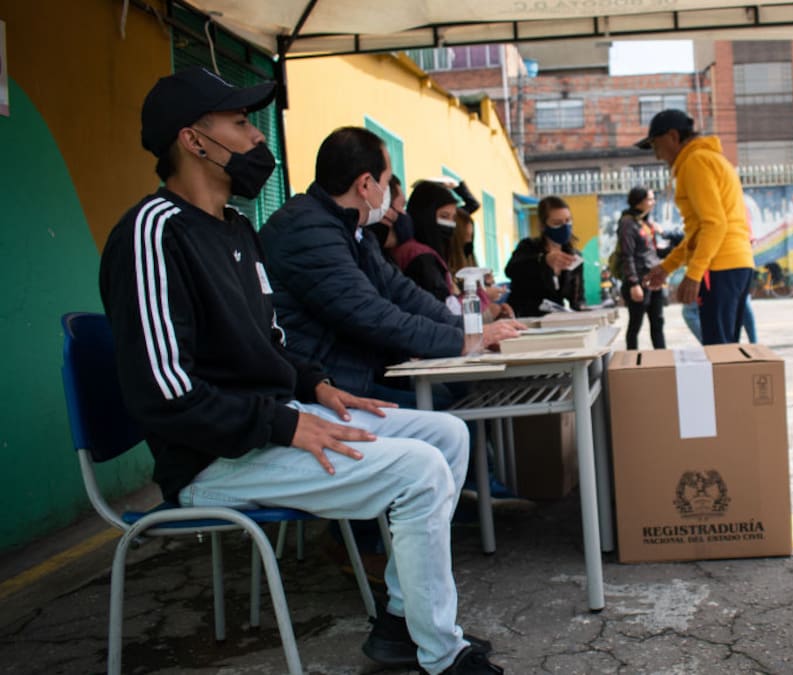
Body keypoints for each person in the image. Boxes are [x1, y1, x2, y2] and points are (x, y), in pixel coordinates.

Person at [99, 68, 503, 674]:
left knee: (446, 434)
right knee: (419, 471)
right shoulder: (153, 233)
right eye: (241, 122)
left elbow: (268, 344)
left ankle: (401, 622)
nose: (257, 137)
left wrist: (315, 384)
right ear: (193, 140)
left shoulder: (236, 229)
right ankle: (441, 655)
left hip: (272, 423)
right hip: (213, 455)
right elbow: (166, 392)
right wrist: (286, 424)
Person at [259, 128, 521, 408]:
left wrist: (472, 331)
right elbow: (371, 314)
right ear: (365, 185)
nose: (387, 197)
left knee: (468, 395)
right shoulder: (308, 231)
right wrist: (463, 340)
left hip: (356, 370)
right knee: (453, 414)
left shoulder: (352, 231)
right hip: (323, 384)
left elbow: (404, 294)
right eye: (385, 184)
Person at [639, 109, 755, 345]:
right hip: (734, 263)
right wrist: (667, 267)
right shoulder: (709, 159)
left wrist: (694, 274)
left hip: (719, 266)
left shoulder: (695, 162)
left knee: (718, 350)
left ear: (673, 136)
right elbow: (698, 233)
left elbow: (714, 224)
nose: (658, 156)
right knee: (725, 349)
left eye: (656, 145)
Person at [504, 195, 585, 317]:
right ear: (543, 225)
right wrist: (544, 260)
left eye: (568, 221)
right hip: (527, 318)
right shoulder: (528, 247)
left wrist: (582, 310)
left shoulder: (573, 256)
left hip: (559, 320)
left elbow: (578, 298)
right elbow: (511, 270)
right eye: (557, 223)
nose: (565, 227)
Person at [616, 186, 666, 349]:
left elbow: (651, 251)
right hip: (639, 280)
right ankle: (632, 358)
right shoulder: (627, 223)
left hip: (654, 279)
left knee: (658, 322)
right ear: (639, 202)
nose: (653, 202)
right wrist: (634, 283)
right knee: (635, 325)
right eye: (650, 199)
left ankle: (662, 358)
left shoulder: (645, 222)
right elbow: (627, 255)